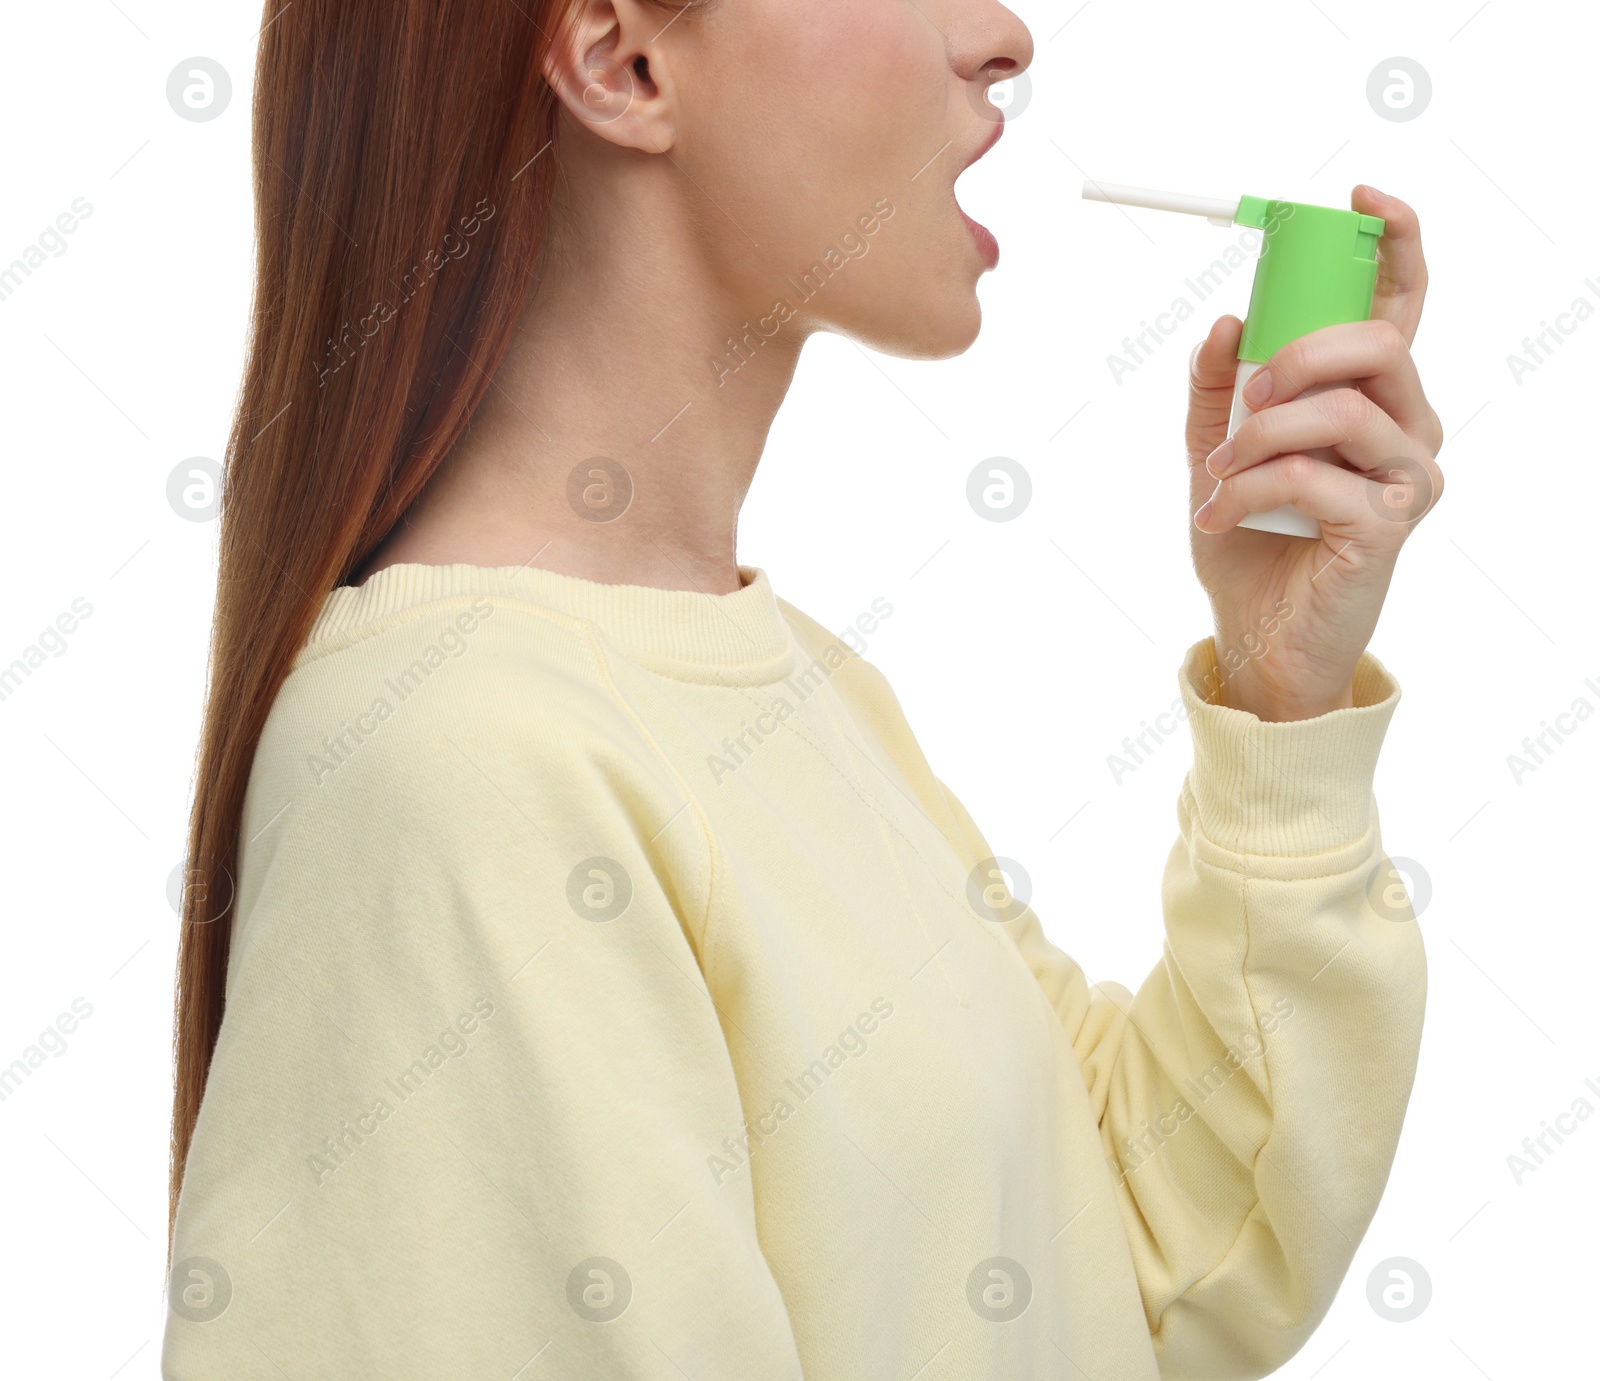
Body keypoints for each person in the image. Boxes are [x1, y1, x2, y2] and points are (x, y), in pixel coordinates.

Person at [163, 0, 1443, 1376]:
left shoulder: (787, 685)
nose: (1004, 34)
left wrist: (1280, 690)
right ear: (623, 60)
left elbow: (1133, 1257)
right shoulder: (464, 761)